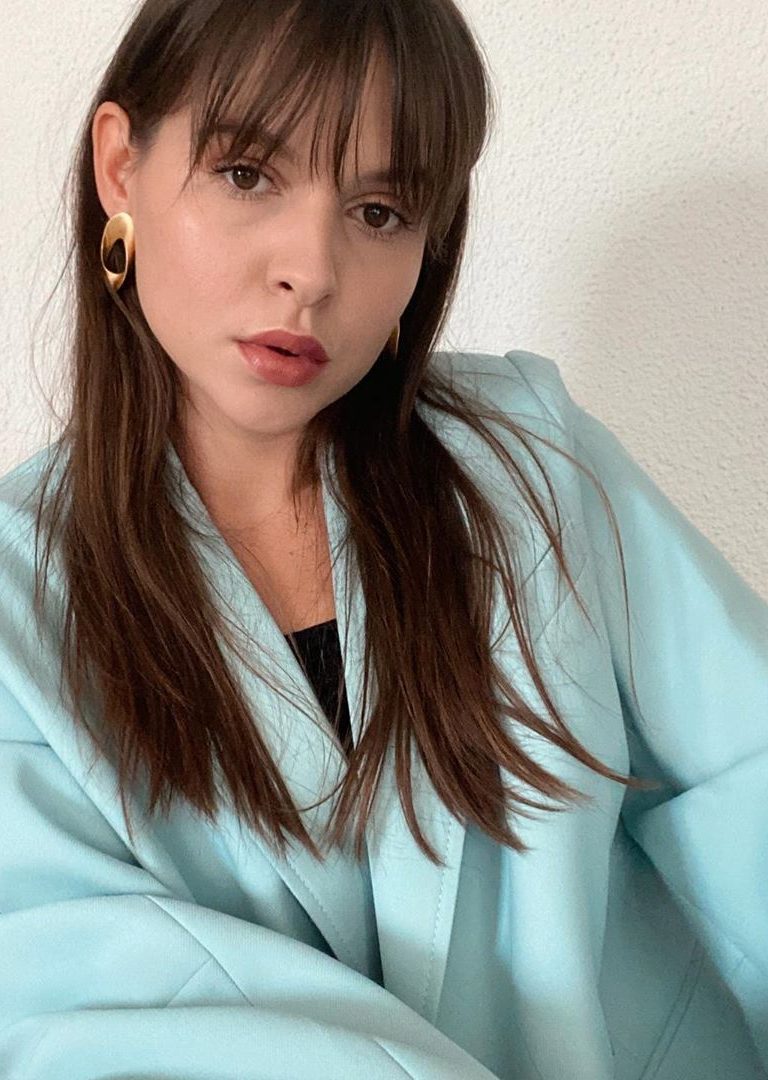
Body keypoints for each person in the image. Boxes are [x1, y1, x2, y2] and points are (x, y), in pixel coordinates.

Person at [1, 1, 766, 1078]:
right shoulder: (18, 606)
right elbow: (87, 1017)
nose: (311, 270)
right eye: (248, 175)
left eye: (378, 210)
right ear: (121, 167)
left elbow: (751, 773)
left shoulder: (531, 462)